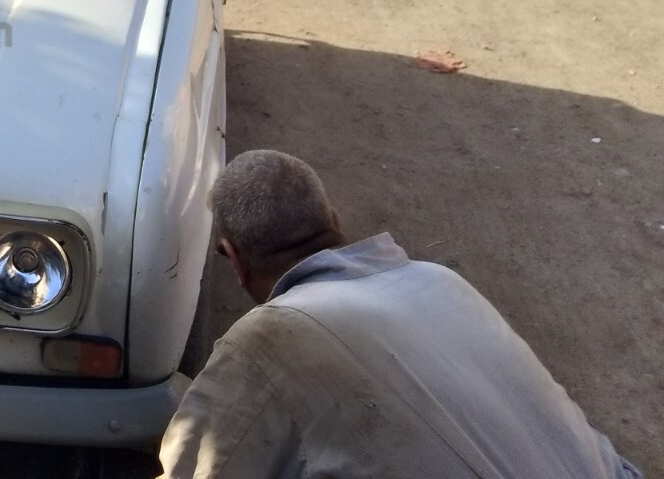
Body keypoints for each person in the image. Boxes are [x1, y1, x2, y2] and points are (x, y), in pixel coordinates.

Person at [160, 150, 641, 478]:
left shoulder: (272, 334)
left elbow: (199, 466)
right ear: (335, 220)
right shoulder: (437, 280)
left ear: (234, 257)